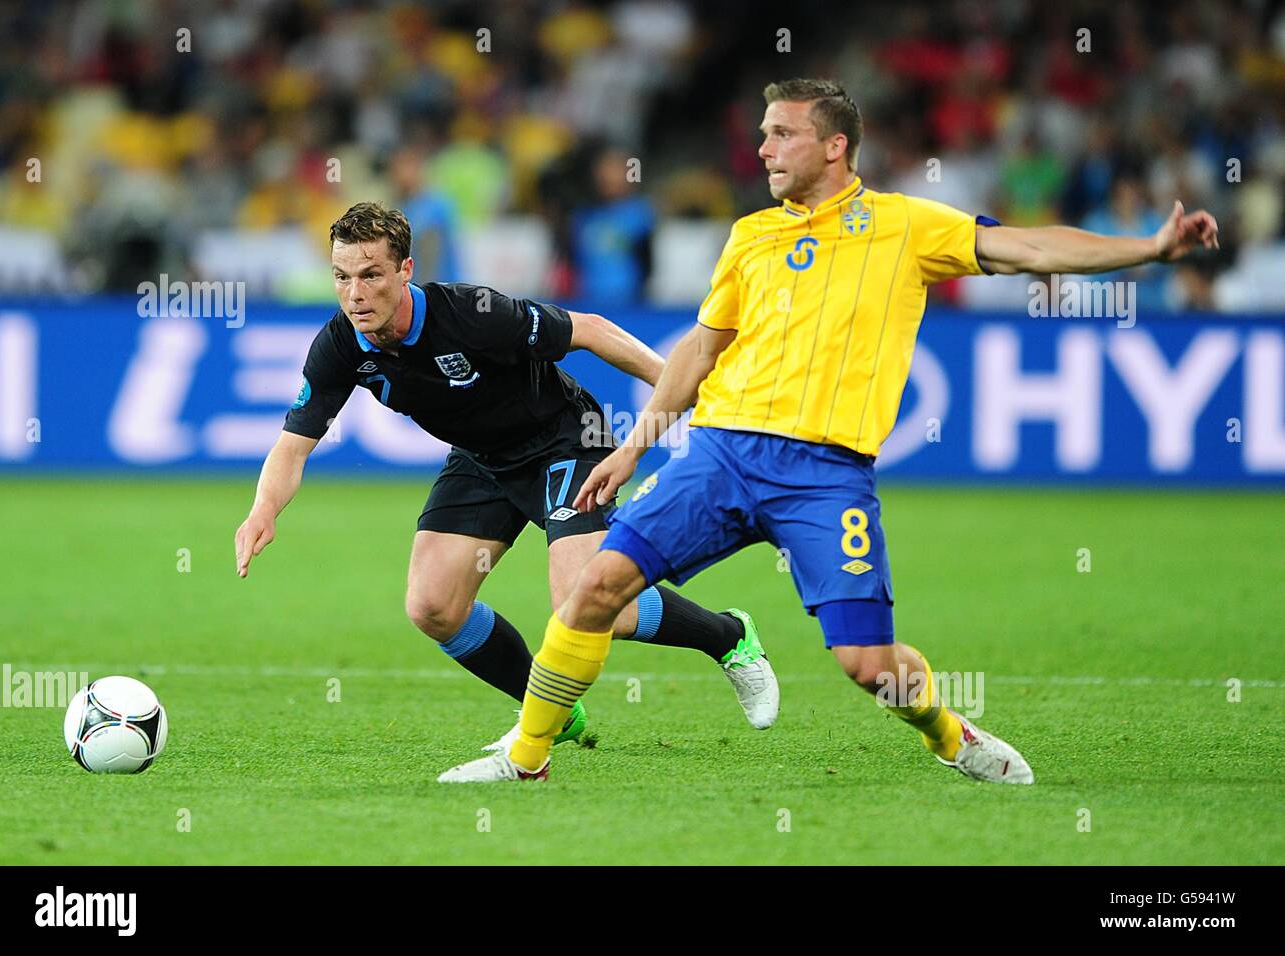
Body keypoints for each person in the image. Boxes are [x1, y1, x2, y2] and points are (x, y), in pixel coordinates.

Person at [438, 78, 1219, 784]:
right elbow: (700, 352)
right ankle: (528, 756)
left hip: (825, 473)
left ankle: (948, 733)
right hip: (719, 451)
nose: (763, 147)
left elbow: (1030, 246)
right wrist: (636, 446)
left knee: (867, 664)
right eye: (763, 134)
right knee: (594, 586)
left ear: (835, 145)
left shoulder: (905, 225)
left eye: (782, 133)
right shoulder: (750, 236)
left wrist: (1149, 248)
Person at [235, 202, 780, 753]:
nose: (355, 294)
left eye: (371, 274)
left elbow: (589, 330)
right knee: (432, 607)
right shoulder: (340, 345)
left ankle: (730, 637)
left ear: (404, 270)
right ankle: (551, 713)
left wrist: (682, 388)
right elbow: (292, 447)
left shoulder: (471, 313)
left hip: (566, 440)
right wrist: (263, 510)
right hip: (481, 458)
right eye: (342, 276)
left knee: (586, 601)